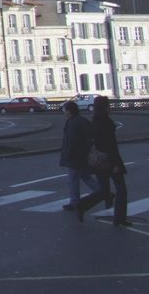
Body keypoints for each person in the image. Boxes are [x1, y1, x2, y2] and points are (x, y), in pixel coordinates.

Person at [77, 96, 130, 226]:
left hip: (99, 161)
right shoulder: (106, 122)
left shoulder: (95, 121)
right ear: (105, 107)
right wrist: (116, 164)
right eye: (109, 105)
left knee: (104, 190)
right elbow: (111, 146)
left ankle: (82, 205)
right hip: (110, 161)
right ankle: (119, 219)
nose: (110, 107)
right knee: (121, 190)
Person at [59, 100, 99, 210]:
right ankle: (102, 192)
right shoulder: (83, 120)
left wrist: (67, 156)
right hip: (83, 156)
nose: (63, 112)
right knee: (86, 177)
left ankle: (74, 202)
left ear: (69, 110)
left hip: (75, 158)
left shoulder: (72, 123)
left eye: (64, 109)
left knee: (73, 180)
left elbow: (71, 142)